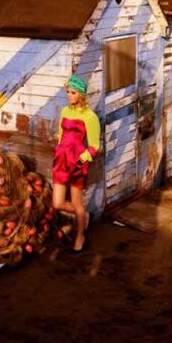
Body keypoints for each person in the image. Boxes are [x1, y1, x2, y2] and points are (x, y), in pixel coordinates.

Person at [52, 74, 101, 253]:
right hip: (61, 161)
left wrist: (82, 158)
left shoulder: (90, 117)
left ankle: (80, 235)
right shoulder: (65, 111)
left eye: (72, 92)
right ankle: (84, 215)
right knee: (57, 203)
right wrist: (59, 149)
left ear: (80, 94)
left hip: (77, 163)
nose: (69, 95)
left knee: (77, 202)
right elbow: (61, 134)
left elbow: (95, 146)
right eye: (67, 92)